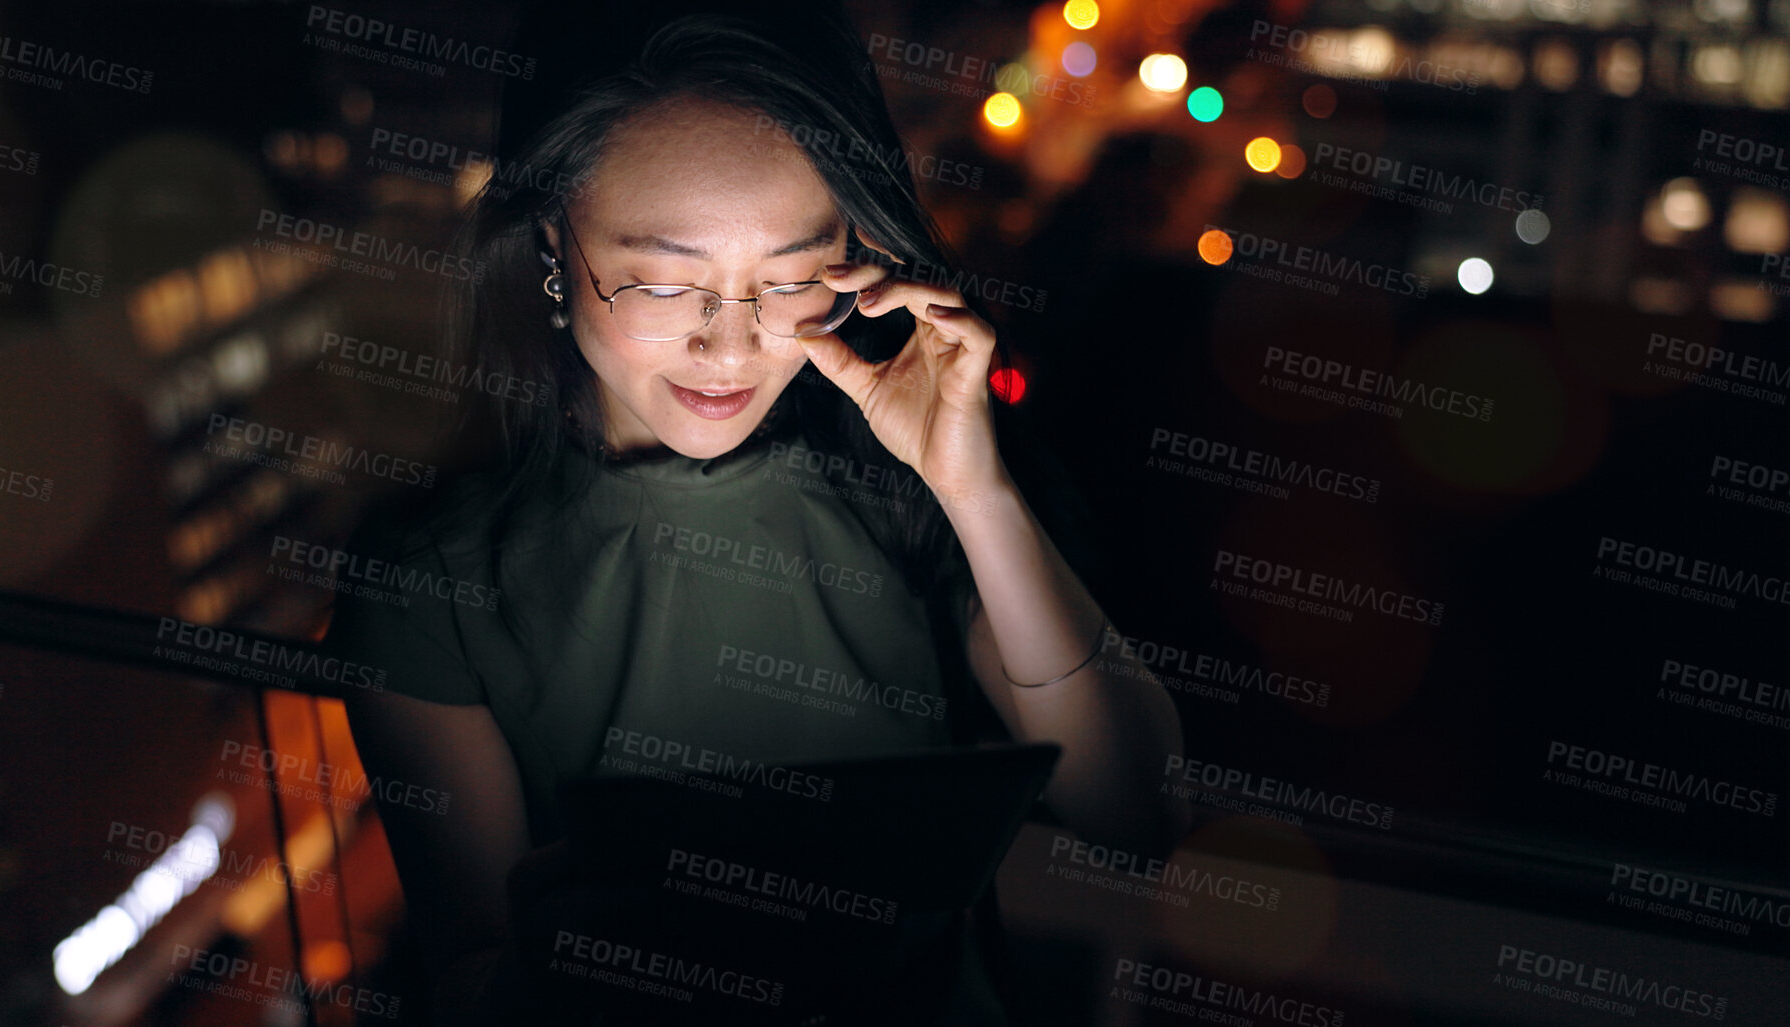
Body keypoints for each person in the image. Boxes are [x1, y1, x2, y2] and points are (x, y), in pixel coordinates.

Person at [320, 4, 1188, 1023]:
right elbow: (467, 972)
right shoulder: (433, 575)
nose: (729, 351)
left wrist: (969, 484)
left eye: (789, 281)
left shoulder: (909, 496)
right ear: (553, 238)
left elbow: (1135, 807)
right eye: (660, 282)